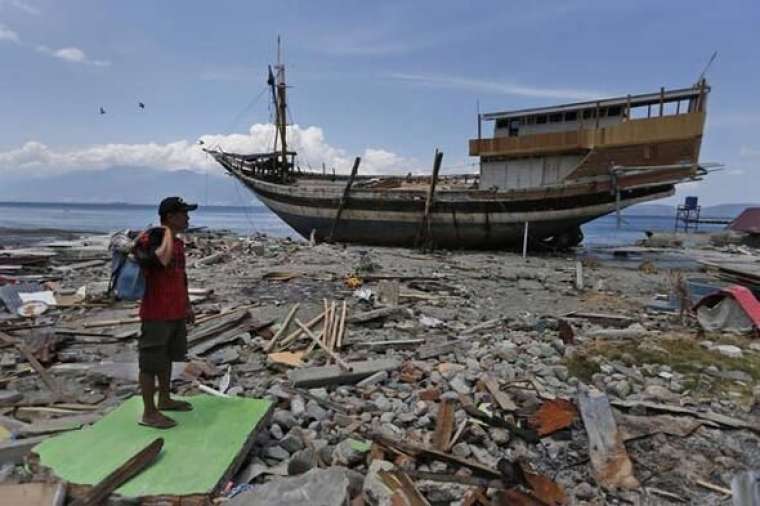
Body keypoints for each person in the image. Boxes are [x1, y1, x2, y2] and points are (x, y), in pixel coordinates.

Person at [134, 196, 197, 428]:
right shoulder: (152, 238)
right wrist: (167, 232)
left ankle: (165, 399)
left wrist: (187, 305)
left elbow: (181, 276)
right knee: (150, 362)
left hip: (175, 310)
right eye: (184, 213)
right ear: (170, 216)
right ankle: (149, 412)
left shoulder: (178, 243)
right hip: (156, 312)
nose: (188, 218)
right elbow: (160, 260)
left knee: (168, 357)